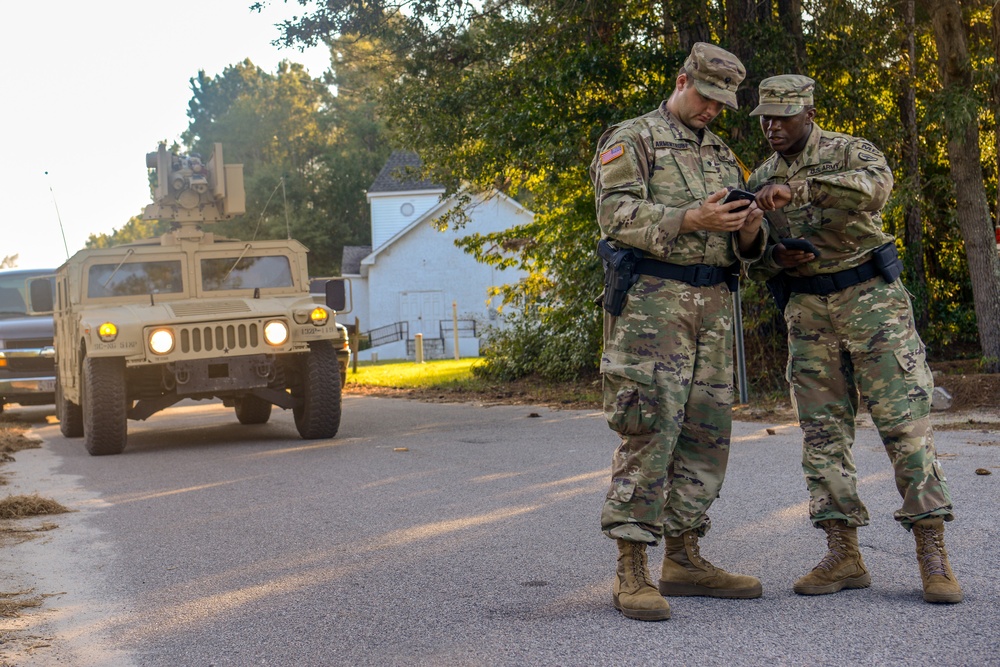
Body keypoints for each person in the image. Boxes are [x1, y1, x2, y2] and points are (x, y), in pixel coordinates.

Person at [746, 74, 962, 604]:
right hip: (807, 312)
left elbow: (878, 190)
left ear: (808, 112)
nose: (773, 126)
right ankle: (843, 553)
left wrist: (801, 189)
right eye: (766, 118)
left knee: (904, 427)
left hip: (872, 303)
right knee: (822, 436)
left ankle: (932, 553)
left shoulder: (851, 151)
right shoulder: (759, 177)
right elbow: (751, 257)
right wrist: (776, 257)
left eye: (783, 116)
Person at [589, 42, 766, 622]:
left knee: (707, 433)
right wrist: (693, 217)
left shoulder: (721, 154)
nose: (714, 110)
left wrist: (748, 227)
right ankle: (632, 568)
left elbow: (745, 248)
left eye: (722, 103)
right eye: (707, 97)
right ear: (682, 79)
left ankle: (685, 557)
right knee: (650, 428)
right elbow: (615, 214)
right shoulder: (634, 137)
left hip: (714, 304)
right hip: (653, 307)